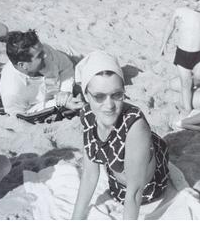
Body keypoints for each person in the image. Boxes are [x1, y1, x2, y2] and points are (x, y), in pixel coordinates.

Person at [71, 51, 169, 220]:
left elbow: (135, 192)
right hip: (117, 181)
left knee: (137, 146)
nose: (109, 105)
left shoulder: (135, 126)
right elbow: (89, 174)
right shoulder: (87, 114)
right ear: (86, 96)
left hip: (146, 189)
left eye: (117, 95)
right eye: (99, 96)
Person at [0, 29, 83, 115]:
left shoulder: (44, 51)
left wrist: (65, 91)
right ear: (22, 65)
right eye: (39, 56)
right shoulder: (11, 91)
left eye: (42, 50)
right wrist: (59, 103)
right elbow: (22, 115)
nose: (45, 55)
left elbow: (66, 67)